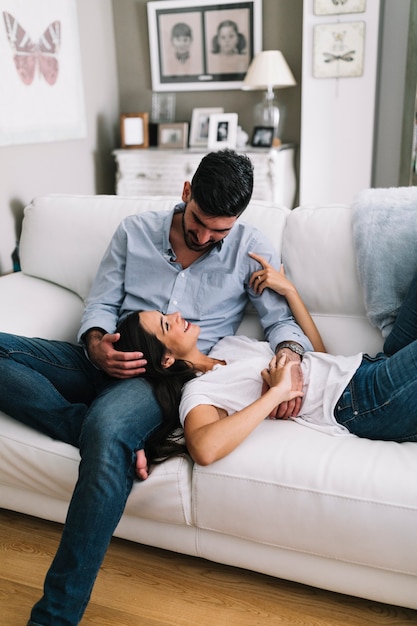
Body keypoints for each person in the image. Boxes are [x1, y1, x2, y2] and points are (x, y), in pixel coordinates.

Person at [0, 149, 313, 626]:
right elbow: (100, 303)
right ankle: (89, 425)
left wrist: (290, 358)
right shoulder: (134, 232)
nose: (206, 237)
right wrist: (96, 343)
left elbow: (280, 324)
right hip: (106, 356)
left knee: (108, 433)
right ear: (186, 193)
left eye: (219, 230)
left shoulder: (253, 249)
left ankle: (54, 618)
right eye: (198, 222)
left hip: (161, 379)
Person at [116, 253, 417, 476]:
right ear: (166, 359)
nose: (176, 316)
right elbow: (204, 449)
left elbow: (320, 356)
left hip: (370, 365)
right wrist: (277, 393)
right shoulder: (199, 391)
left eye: (165, 314)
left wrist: (290, 292)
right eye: (166, 325)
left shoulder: (229, 344)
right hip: (364, 400)